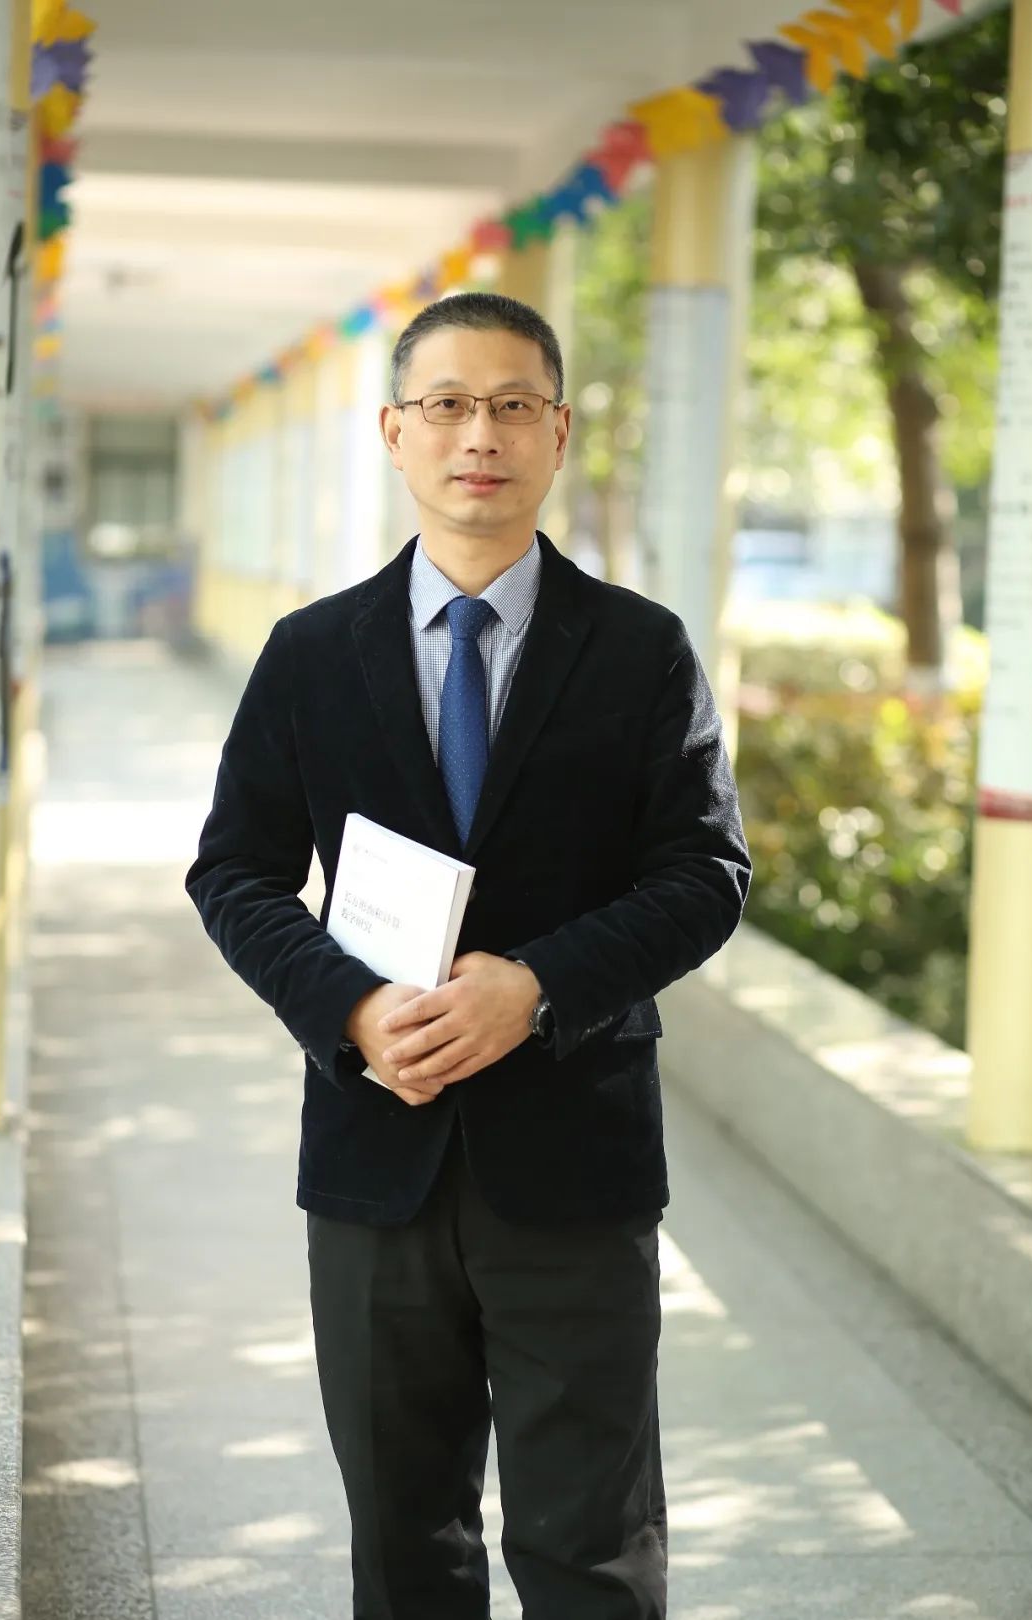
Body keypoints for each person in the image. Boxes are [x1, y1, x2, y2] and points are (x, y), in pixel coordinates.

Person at [185, 290, 751, 1619]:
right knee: (403, 1544)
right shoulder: (311, 654)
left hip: (575, 1161)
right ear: (395, 432)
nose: (478, 435)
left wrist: (536, 988)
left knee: (591, 1547)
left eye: (511, 406)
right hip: (376, 1155)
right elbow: (236, 871)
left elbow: (705, 875)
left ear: (559, 432)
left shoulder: (641, 651)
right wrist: (351, 1009)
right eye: (446, 405)